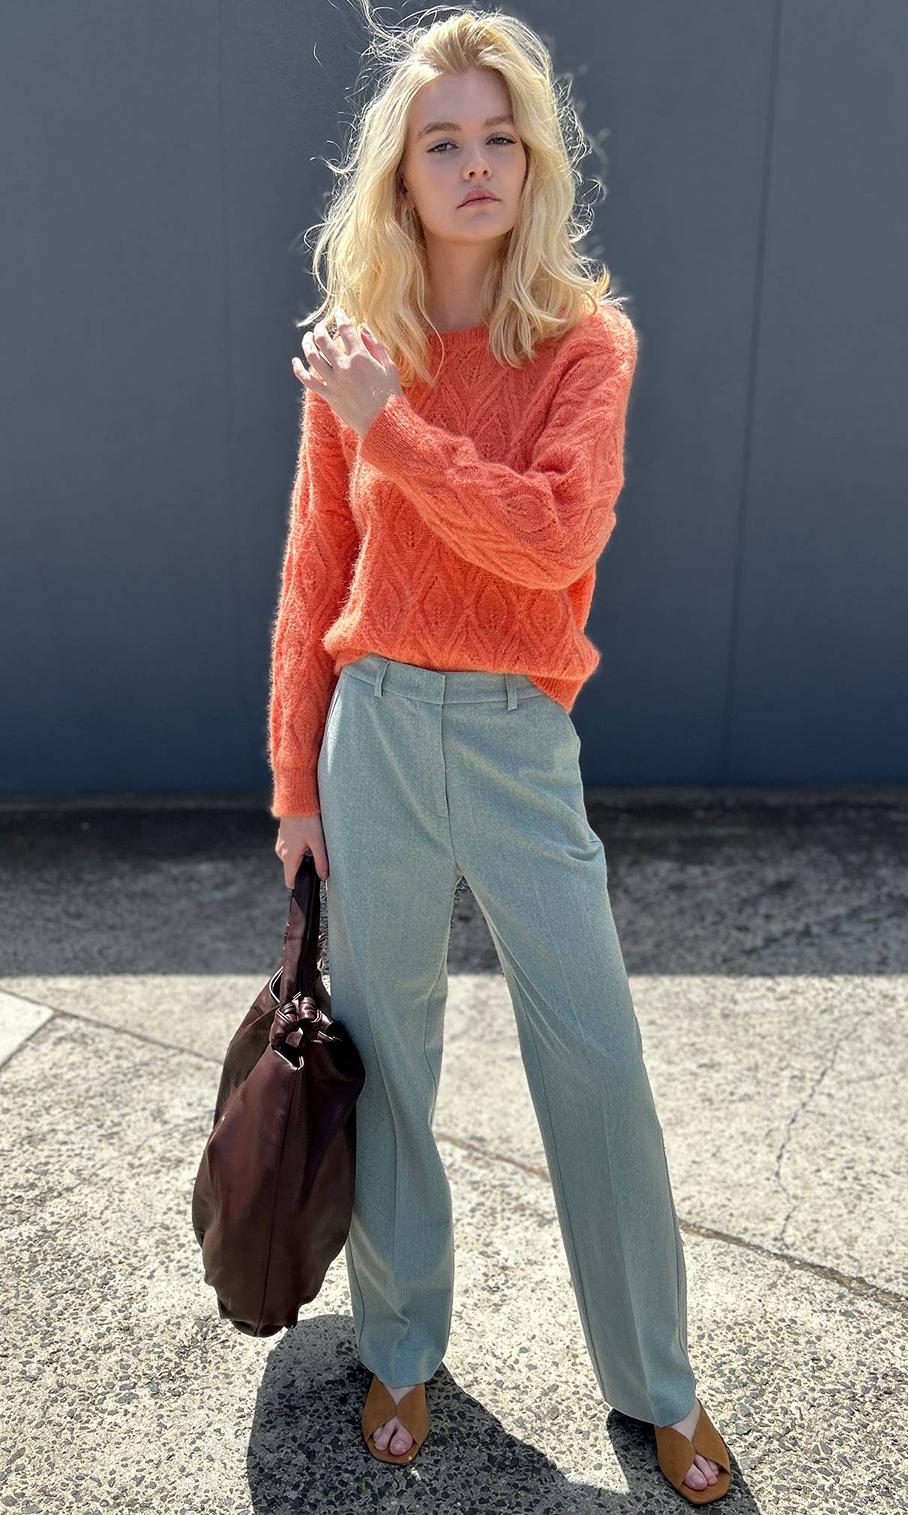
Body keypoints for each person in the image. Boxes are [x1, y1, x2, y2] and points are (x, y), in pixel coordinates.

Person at [267, 5, 732, 1502]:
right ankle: (400, 1345)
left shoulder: (585, 343)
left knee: (595, 1060)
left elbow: (551, 541)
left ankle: (656, 1380)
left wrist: (393, 427)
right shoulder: (361, 350)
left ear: (533, 161)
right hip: (377, 730)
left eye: (499, 137)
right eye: (441, 142)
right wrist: (293, 781)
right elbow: (314, 569)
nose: (475, 164)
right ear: (400, 176)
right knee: (392, 1061)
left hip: (520, 738)